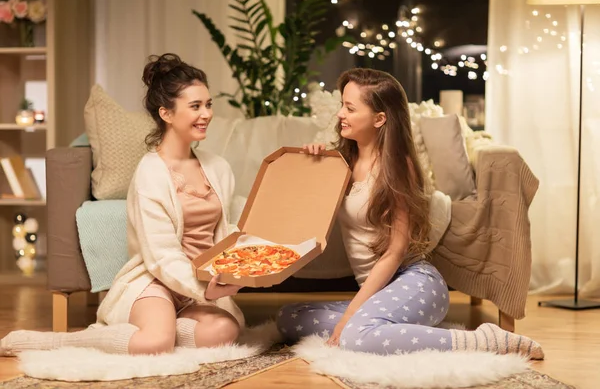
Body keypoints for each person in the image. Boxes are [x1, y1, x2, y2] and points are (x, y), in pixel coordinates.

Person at [276, 67, 544, 359]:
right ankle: (376, 327)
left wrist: (348, 318)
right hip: (377, 292)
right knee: (289, 317)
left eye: (350, 108)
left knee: (354, 336)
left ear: (380, 119)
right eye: (342, 104)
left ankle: (482, 341)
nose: (340, 114)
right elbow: (301, 210)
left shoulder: (397, 167)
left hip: (416, 283)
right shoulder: (340, 161)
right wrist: (311, 162)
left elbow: (395, 251)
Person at [1, 53, 245, 356]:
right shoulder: (150, 171)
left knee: (225, 332)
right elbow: (160, 255)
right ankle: (61, 341)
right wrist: (202, 288)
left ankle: (163, 327)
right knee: (154, 343)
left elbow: (226, 232)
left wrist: (240, 264)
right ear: (166, 114)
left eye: (208, 104)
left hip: (201, 286)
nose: (206, 114)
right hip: (158, 279)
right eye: (195, 106)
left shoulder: (218, 166)